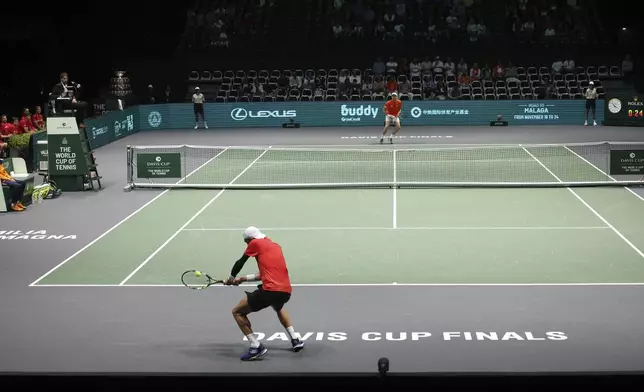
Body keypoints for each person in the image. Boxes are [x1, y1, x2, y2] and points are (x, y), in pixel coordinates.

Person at [224, 226, 304, 361]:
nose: (247, 245)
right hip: (285, 291)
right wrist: (243, 279)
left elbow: (240, 262)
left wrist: (231, 278)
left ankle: (256, 346)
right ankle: (295, 339)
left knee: (237, 312)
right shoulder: (274, 246)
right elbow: (266, 274)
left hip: (270, 290)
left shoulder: (254, 243)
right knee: (278, 307)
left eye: (246, 242)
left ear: (250, 239)